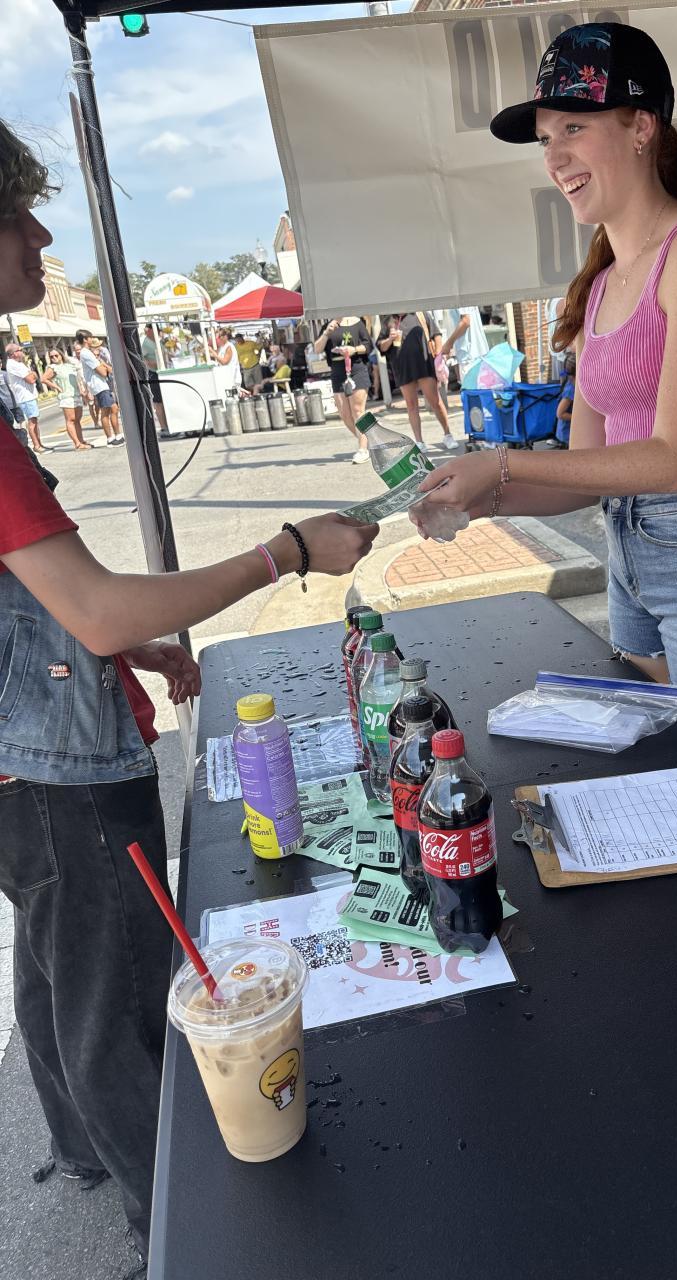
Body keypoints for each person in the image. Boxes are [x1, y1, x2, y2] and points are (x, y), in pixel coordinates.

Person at [0, 117, 378, 1274]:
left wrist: (124, 652)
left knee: (56, 972)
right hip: (58, 778)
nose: (41, 237)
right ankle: (176, 1231)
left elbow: (46, 611)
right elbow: (94, 606)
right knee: (118, 1010)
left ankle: (85, 1152)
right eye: (16, 217)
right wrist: (287, 550)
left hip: (25, 766)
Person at [416, 23, 677, 775]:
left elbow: (671, 459)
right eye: (545, 139)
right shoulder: (602, 283)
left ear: (641, 126)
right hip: (632, 549)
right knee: (655, 774)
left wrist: (500, 464)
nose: (553, 158)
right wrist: (479, 499)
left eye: (573, 129)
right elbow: (586, 472)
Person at [376, 312, 452, 449]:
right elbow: (381, 346)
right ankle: (419, 441)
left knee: (435, 401)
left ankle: (448, 434)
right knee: (411, 405)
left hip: (424, 364)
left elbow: (436, 334)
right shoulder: (389, 320)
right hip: (402, 367)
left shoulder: (420, 314)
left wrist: (438, 356)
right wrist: (390, 339)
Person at [319, 315, 374, 464]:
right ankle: (367, 440)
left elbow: (368, 345)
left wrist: (353, 349)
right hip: (337, 370)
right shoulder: (329, 325)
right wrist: (326, 333)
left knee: (357, 410)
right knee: (344, 413)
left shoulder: (358, 322)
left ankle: (363, 449)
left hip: (356, 368)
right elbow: (317, 348)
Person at [76, 329, 122, 445]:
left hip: (102, 384)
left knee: (114, 409)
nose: (92, 340)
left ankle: (117, 435)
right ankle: (110, 438)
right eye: (90, 338)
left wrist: (103, 365)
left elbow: (108, 370)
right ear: (85, 339)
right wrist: (103, 367)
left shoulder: (88, 353)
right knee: (106, 411)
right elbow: (103, 372)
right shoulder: (86, 353)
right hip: (98, 386)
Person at [40, 348, 91, 450]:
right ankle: (77, 443)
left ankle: (81, 440)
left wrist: (82, 393)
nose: (54, 358)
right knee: (70, 420)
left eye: (56, 355)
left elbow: (77, 380)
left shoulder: (69, 365)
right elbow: (43, 379)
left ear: (61, 355)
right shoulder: (53, 367)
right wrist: (56, 387)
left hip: (76, 394)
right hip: (66, 396)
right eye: (51, 356)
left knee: (77, 420)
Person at [3, 340, 43, 452]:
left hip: (29, 396)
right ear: (13, 354)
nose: (22, 352)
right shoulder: (14, 364)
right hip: (25, 397)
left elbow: (32, 376)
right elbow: (31, 379)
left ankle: (39, 443)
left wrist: (33, 374)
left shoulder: (19, 364)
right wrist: (33, 374)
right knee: (32, 421)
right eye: (19, 350)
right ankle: (37, 445)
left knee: (34, 420)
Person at [140, 322, 168, 435]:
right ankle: (163, 426)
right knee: (158, 402)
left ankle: (167, 424)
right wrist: (153, 364)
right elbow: (143, 359)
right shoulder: (146, 343)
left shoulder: (157, 341)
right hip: (153, 373)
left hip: (160, 372)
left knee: (163, 400)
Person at [73, 339, 99, 430]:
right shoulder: (74, 362)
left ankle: (97, 418)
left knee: (97, 404)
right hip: (84, 386)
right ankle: (95, 422)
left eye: (79, 349)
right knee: (91, 405)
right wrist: (81, 390)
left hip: (92, 383)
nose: (78, 351)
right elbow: (76, 377)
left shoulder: (87, 356)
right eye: (76, 350)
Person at [554, 352, 575, 448]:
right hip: (567, 434)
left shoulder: (571, 384)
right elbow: (560, 413)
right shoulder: (571, 389)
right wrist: (578, 418)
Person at [214, 327, 242, 392]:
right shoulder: (222, 347)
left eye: (219, 337)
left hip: (233, 378)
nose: (217, 339)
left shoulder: (229, 346)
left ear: (225, 337)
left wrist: (214, 355)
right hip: (227, 378)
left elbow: (224, 362)